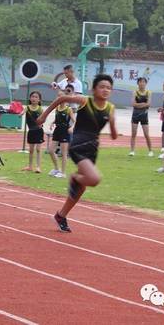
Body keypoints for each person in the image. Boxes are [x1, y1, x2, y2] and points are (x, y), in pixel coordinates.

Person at [36, 74, 118, 233]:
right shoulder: (85, 101)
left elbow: (114, 135)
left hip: (92, 149)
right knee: (93, 179)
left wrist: (113, 127)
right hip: (78, 145)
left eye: (108, 87)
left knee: (80, 188)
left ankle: (61, 215)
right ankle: (73, 177)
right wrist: (44, 116)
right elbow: (61, 100)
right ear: (94, 89)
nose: (105, 90)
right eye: (102, 87)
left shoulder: (110, 108)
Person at [48, 87, 75, 178]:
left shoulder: (68, 109)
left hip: (65, 131)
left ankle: (63, 173)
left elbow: (75, 121)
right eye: (58, 96)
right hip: (57, 130)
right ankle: (57, 168)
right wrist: (52, 123)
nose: (58, 98)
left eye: (60, 96)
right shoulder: (57, 108)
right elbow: (57, 119)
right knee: (51, 150)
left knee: (64, 153)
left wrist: (72, 128)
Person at [129, 77, 153, 157]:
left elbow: (149, 104)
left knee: (146, 134)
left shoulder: (148, 92)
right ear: (138, 83)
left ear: (146, 83)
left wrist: (139, 105)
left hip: (144, 116)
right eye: (140, 82)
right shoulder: (135, 92)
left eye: (143, 82)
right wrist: (143, 104)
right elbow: (133, 104)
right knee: (133, 133)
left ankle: (150, 151)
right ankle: (132, 151)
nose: (142, 83)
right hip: (135, 115)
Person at [22, 91, 44, 173]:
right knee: (31, 150)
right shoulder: (27, 107)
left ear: (39, 100)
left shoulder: (40, 109)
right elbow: (23, 112)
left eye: (36, 97)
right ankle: (30, 166)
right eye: (33, 97)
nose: (34, 98)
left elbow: (43, 118)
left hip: (38, 131)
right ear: (30, 98)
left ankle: (38, 167)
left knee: (38, 149)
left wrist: (41, 124)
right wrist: (20, 114)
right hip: (31, 131)